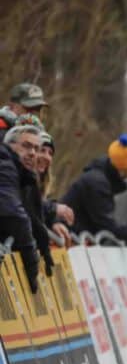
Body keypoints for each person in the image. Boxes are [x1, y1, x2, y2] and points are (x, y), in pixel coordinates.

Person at [61, 134, 127, 243]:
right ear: (123, 170)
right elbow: (111, 230)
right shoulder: (99, 184)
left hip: (77, 241)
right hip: (69, 241)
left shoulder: (106, 181)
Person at [0, 125, 42, 292]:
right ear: (9, 145)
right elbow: (15, 217)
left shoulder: (21, 175)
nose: (32, 153)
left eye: (36, 148)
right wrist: (32, 268)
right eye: (26, 145)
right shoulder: (5, 164)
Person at [37, 131, 73, 246]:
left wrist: (53, 222)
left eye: (50, 153)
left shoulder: (43, 184)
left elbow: (41, 209)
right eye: (42, 150)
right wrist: (54, 209)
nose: (46, 157)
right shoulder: (19, 178)